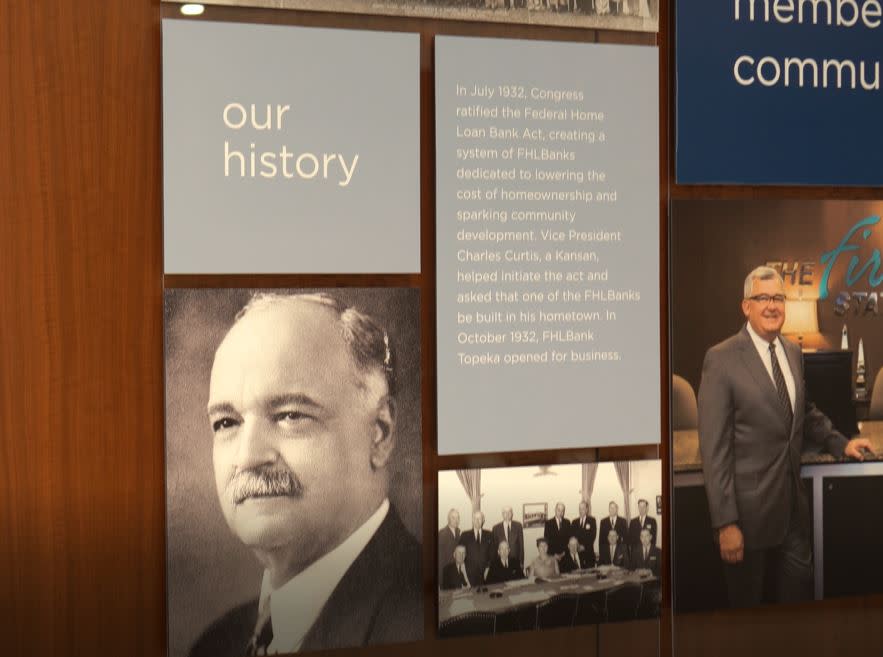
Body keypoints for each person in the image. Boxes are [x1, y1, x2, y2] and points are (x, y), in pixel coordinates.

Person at [189, 292, 422, 656]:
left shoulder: (427, 622)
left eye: (291, 416)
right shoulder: (217, 643)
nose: (248, 457)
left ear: (379, 432)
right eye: (226, 422)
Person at [698, 266, 871, 608]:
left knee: (798, 609)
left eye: (778, 297)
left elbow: (804, 412)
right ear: (746, 306)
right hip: (747, 521)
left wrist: (840, 442)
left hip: (793, 508)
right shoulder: (721, 360)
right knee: (748, 619)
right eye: (763, 297)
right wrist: (726, 523)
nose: (772, 305)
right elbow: (713, 451)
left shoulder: (792, 352)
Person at [459, 510, 494, 586]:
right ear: (472, 520)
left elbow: (492, 554)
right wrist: (463, 571)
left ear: (483, 520)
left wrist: (488, 568)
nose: (477, 521)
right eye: (475, 518)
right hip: (469, 572)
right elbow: (460, 555)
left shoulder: (489, 534)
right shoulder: (464, 535)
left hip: (485, 571)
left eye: (480, 518)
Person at [492, 506, 524, 570]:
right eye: (505, 512)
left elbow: (521, 545)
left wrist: (521, 562)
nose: (507, 514)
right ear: (502, 514)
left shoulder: (518, 526)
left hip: (515, 560)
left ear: (512, 514)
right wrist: (495, 562)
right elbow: (495, 547)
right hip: (501, 560)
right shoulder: (496, 528)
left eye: (509, 512)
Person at [438, 509, 461, 580]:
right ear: (448, 519)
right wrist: (441, 579)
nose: (456, 520)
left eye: (458, 518)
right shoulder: (442, 534)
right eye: (453, 518)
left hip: (457, 572)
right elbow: (440, 559)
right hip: (446, 574)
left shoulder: (458, 532)